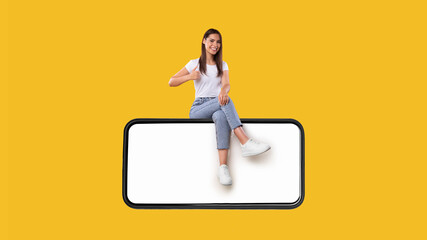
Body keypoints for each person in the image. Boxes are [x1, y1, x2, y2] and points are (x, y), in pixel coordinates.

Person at [169, 28, 270, 186]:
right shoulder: (194, 63)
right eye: (211, 41)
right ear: (204, 41)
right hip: (199, 108)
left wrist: (223, 90)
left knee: (222, 115)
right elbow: (171, 81)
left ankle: (223, 168)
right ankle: (244, 141)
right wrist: (189, 76)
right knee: (226, 101)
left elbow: (226, 83)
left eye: (218, 42)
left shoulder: (222, 64)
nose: (214, 45)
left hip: (218, 106)